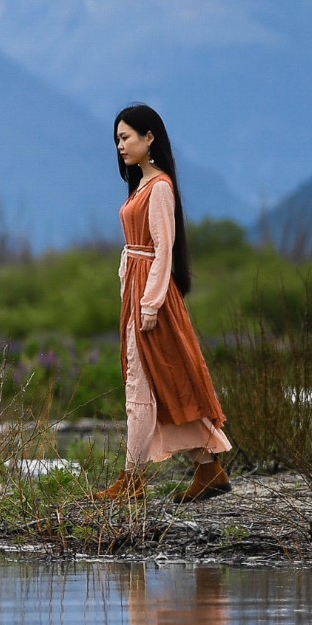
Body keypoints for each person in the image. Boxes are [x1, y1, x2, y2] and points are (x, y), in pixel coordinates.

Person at [93, 105, 232, 503]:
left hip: (150, 298)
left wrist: (150, 305)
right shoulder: (140, 186)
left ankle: (132, 482)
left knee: (140, 387)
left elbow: (163, 251)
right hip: (136, 292)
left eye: (127, 137)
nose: (120, 145)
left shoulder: (160, 188)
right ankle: (209, 470)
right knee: (164, 383)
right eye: (118, 139)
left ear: (149, 138)